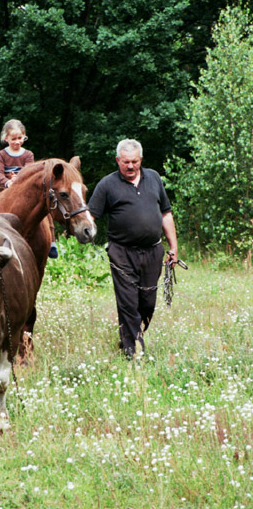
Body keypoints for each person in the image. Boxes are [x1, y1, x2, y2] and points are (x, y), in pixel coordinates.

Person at [88, 138, 178, 359]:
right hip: (121, 252)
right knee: (128, 302)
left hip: (153, 251)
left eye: (134, 162)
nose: (130, 166)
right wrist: (85, 234)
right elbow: (91, 215)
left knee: (147, 303)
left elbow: (166, 213)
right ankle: (134, 352)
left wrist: (173, 247)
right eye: (125, 162)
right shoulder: (107, 185)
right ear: (118, 160)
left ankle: (129, 335)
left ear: (141, 160)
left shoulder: (154, 178)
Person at [0, 119, 58, 258]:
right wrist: (7, 182)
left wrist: (17, 180)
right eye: (13, 139)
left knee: (45, 205)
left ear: (24, 136)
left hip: (23, 188)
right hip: (3, 188)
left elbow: (28, 172)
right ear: (6, 138)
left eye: (20, 138)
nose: (17, 142)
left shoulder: (28, 154)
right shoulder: (1, 155)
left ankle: (52, 241)